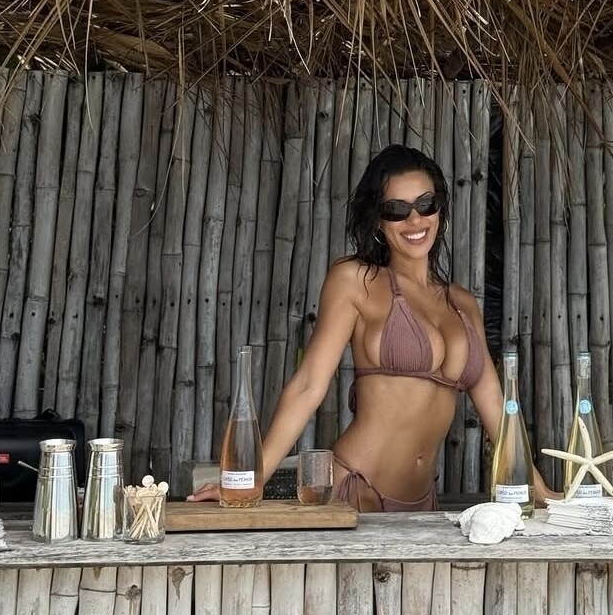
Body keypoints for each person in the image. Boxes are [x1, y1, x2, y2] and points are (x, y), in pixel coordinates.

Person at [191, 144, 554, 512]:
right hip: (357, 492)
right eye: (397, 210)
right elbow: (308, 385)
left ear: (440, 209)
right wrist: (254, 478)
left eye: (426, 204)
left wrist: (539, 489)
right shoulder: (355, 281)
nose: (415, 220)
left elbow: (497, 410)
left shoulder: (463, 304)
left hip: (423, 507)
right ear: (379, 220)